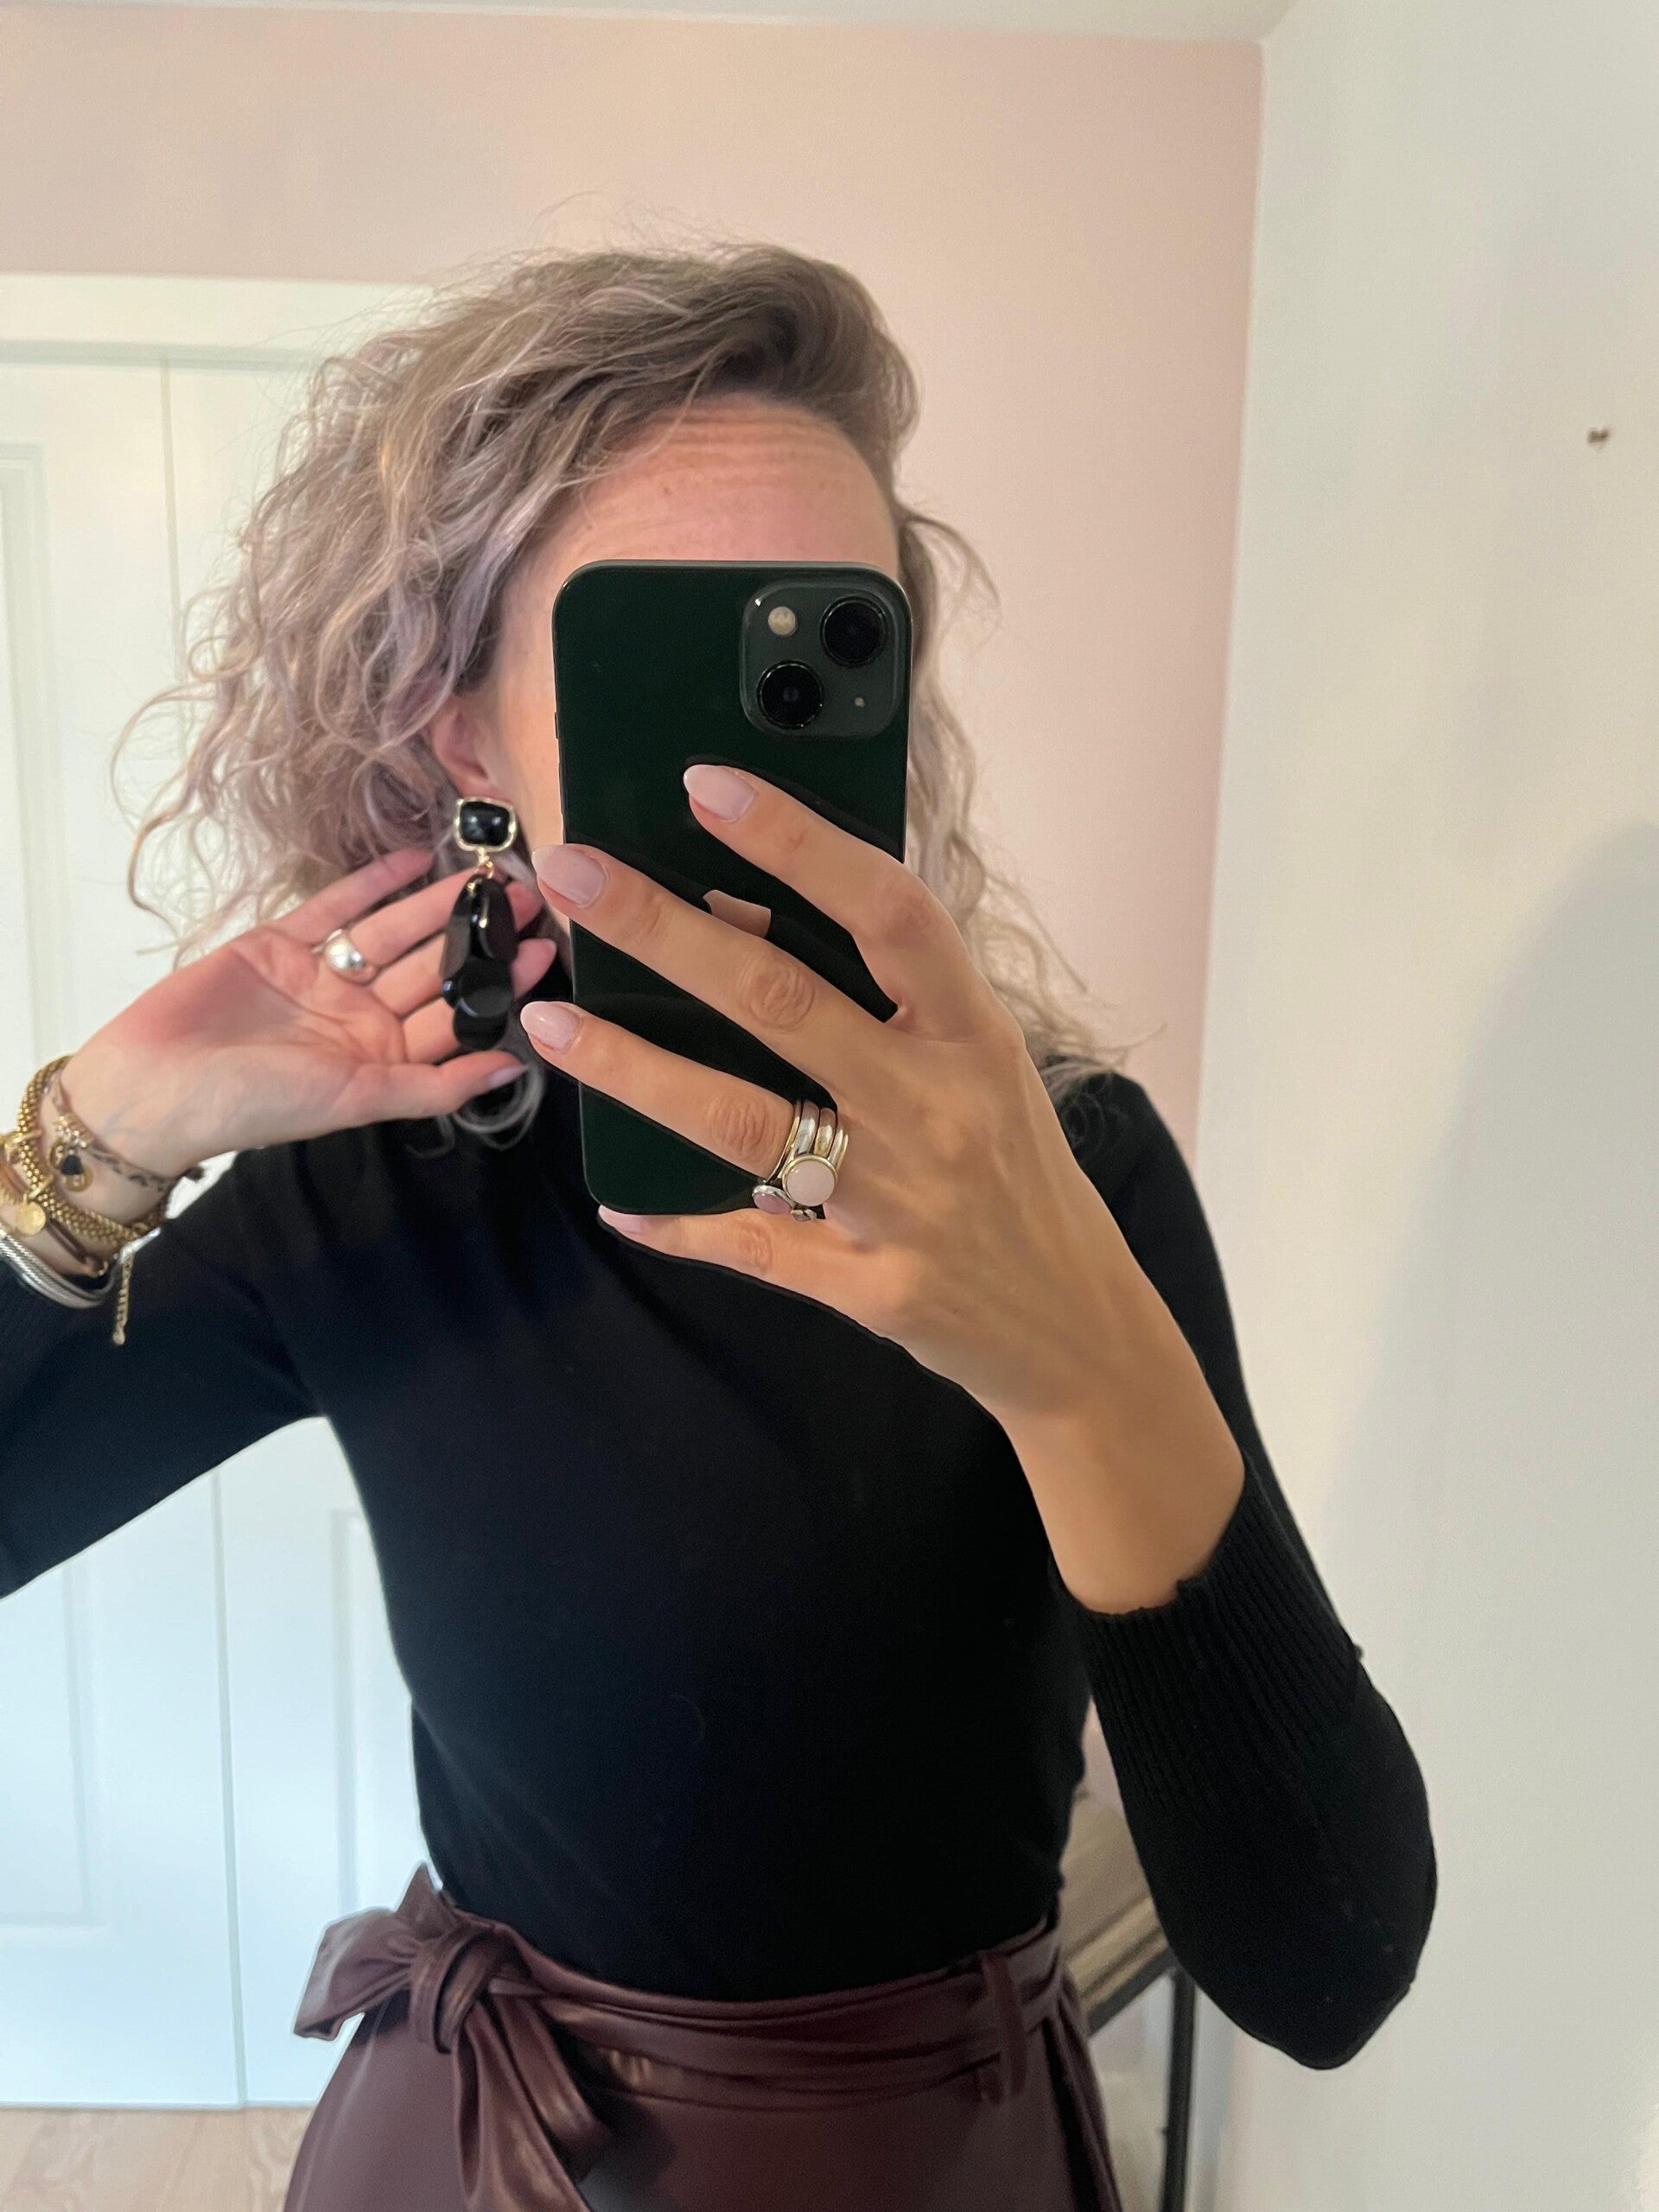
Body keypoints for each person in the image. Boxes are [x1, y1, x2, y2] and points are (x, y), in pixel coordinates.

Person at [0, 245, 1435, 2212]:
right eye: (653, 661)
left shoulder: (1062, 1173)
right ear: (472, 741)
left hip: (930, 2162)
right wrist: (101, 1133)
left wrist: (1074, 1360)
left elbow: (1323, 1966)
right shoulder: (389, 1176)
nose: (746, 765)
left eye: (820, 651)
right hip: (476, 2143)